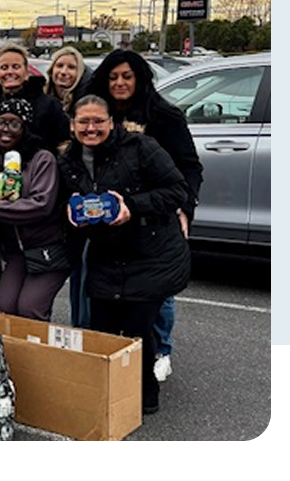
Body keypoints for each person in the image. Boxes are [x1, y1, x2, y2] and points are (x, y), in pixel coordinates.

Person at [57, 94, 189, 416]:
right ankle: (109, 392)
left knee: (136, 327)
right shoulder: (68, 160)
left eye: (98, 121)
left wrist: (132, 206)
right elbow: (65, 203)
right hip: (107, 254)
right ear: (73, 125)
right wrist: (70, 217)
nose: (91, 128)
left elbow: (177, 191)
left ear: (111, 122)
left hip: (152, 252)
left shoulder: (140, 147)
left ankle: (145, 394)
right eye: (83, 122)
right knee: (102, 326)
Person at [86, 48, 203, 383]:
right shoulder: (98, 113)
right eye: (113, 77)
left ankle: (161, 351)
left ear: (140, 78)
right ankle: (118, 359)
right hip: (108, 223)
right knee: (111, 297)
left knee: (157, 291)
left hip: (153, 218)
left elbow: (189, 168)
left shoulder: (164, 116)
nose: (120, 83)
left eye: (127, 76)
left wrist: (185, 208)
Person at [0, 98, 68, 321]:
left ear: (26, 127)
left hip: (48, 247)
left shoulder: (41, 159)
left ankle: (37, 354)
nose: (5, 130)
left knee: (30, 308)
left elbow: (41, 205)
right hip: (15, 250)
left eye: (14, 124)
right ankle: (14, 355)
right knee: (5, 307)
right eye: (0, 123)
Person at [45, 45, 94, 326]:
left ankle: (84, 328)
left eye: (71, 67)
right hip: (51, 193)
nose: (64, 72)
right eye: (59, 66)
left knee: (84, 270)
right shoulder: (45, 99)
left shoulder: (87, 101)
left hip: (78, 191)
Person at [0, 43, 71, 147]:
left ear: (26, 73)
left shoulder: (49, 104)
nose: (10, 72)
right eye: (4, 68)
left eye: (16, 67)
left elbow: (63, 141)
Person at [45, 45, 91, 114]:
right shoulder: (40, 97)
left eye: (71, 67)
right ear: (51, 69)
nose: (63, 71)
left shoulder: (88, 102)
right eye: (59, 65)